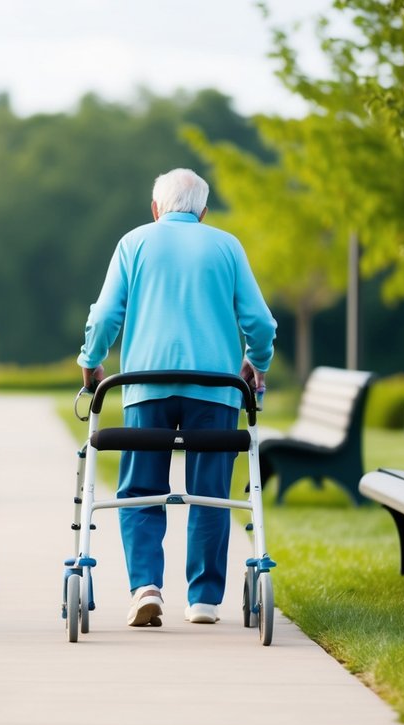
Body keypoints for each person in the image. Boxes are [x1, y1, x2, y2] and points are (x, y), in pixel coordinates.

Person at [77, 168, 277, 628]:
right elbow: (261, 324)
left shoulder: (134, 242)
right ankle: (204, 600)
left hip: (147, 386)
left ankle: (146, 586)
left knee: (140, 489)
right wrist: (256, 362)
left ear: (155, 208)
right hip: (218, 390)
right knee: (211, 493)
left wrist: (91, 360)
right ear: (203, 212)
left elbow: (106, 314)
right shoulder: (227, 245)